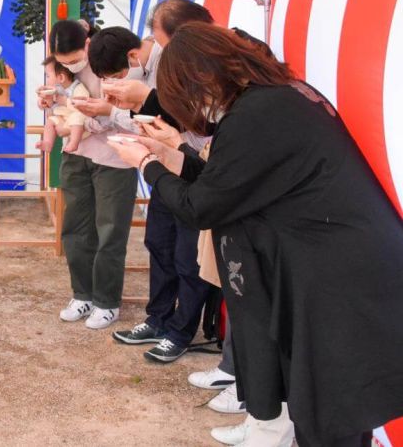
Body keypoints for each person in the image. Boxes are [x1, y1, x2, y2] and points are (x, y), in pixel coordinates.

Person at [108, 23, 403, 447]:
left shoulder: (258, 113)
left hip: (338, 282)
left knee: (330, 415)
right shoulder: (281, 96)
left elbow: (203, 206)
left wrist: (144, 165)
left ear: (203, 77)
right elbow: (230, 183)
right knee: (331, 410)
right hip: (341, 270)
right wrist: (171, 155)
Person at [88, 26, 213, 364]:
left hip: (190, 167)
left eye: (116, 75)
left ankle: (181, 332)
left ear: (132, 56)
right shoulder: (144, 73)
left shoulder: (174, 65)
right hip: (161, 166)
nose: (116, 82)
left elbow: (191, 122)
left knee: (188, 256)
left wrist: (135, 103)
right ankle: (158, 319)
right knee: (159, 243)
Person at [42, 20, 138, 330]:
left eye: (73, 59)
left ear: (87, 43)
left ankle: (107, 301)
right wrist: (50, 100)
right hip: (76, 155)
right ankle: (82, 294)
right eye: (64, 61)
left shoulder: (113, 57)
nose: (70, 65)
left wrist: (80, 124)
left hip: (115, 157)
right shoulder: (64, 67)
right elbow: (62, 100)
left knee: (110, 230)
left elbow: (126, 116)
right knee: (75, 228)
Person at [37, 56, 89, 153]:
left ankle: (74, 143)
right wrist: (43, 102)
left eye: (48, 76)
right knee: (50, 121)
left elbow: (82, 106)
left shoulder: (77, 88)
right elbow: (50, 106)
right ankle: (48, 143)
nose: (46, 80)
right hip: (63, 121)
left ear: (61, 77)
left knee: (76, 117)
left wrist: (65, 101)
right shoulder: (56, 90)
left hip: (78, 126)